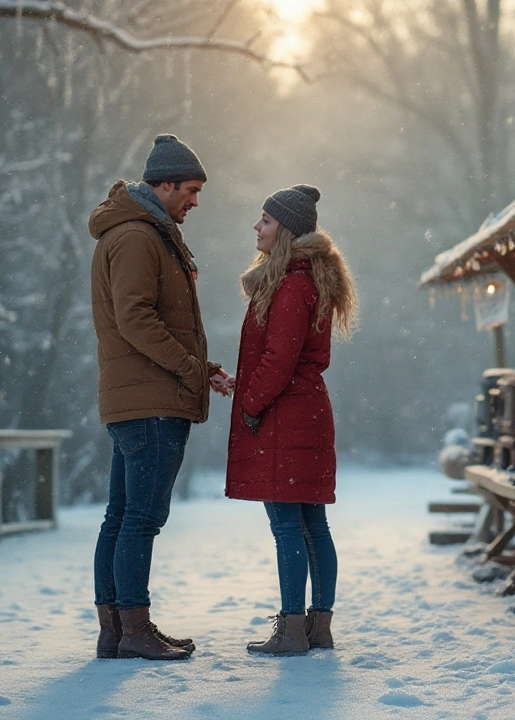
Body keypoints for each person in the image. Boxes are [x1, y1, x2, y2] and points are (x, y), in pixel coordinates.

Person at [88, 134, 231, 661]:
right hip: (151, 403)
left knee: (121, 517)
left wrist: (203, 367)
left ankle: (118, 630)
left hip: (138, 397)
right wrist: (190, 369)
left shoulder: (140, 233)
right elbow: (136, 320)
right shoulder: (138, 237)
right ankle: (134, 630)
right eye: (190, 190)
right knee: (140, 519)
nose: (195, 201)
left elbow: (155, 320)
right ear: (164, 185)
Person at [225, 184, 358, 656]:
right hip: (306, 411)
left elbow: (279, 358)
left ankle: (292, 629)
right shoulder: (307, 279)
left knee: (288, 526)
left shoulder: (291, 284)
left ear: (286, 230)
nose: (256, 227)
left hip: (284, 415)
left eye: (265, 220)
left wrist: (249, 404)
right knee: (312, 525)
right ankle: (317, 627)